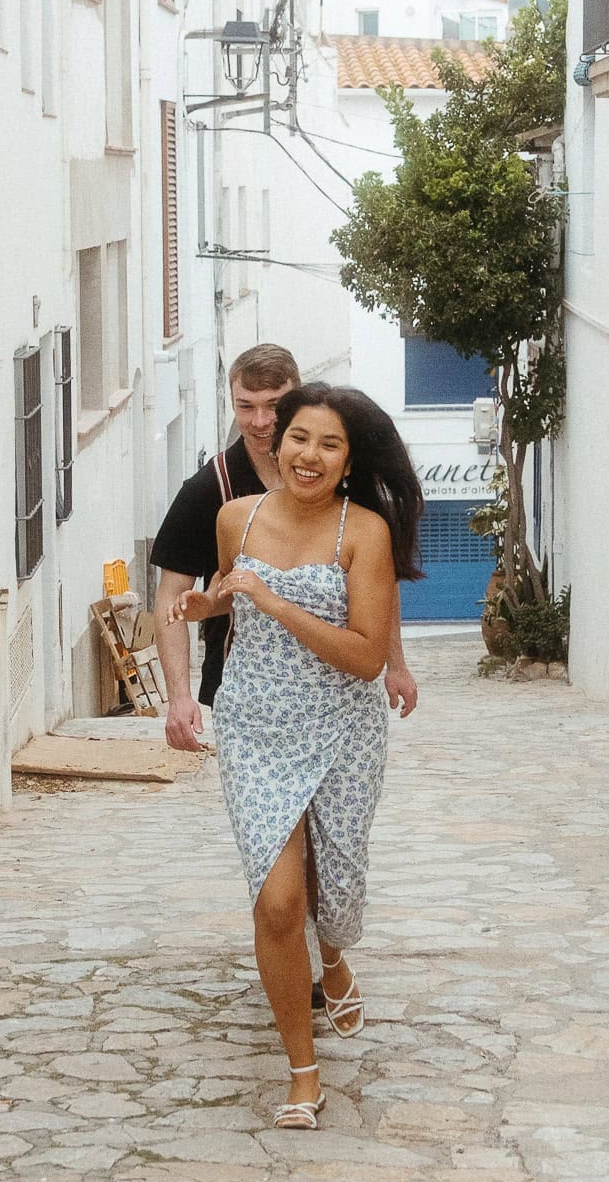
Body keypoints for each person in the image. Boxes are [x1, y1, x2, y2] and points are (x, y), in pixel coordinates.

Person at [168, 384, 423, 1130]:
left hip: (342, 728)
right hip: (255, 725)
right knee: (278, 900)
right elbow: (234, 590)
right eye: (299, 439)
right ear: (277, 444)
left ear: (348, 462)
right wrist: (209, 604)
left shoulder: (363, 531)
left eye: (329, 445)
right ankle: (302, 1074)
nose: (309, 456)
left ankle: (333, 956)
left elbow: (365, 657)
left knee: (334, 894)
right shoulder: (235, 517)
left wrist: (277, 602)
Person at [152, 344, 418, 752]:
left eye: (273, 406)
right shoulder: (210, 490)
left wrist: (395, 663)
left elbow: (379, 588)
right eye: (245, 407)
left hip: (339, 696)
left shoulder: (349, 491)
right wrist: (179, 697)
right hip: (246, 693)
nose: (260, 422)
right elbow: (177, 596)